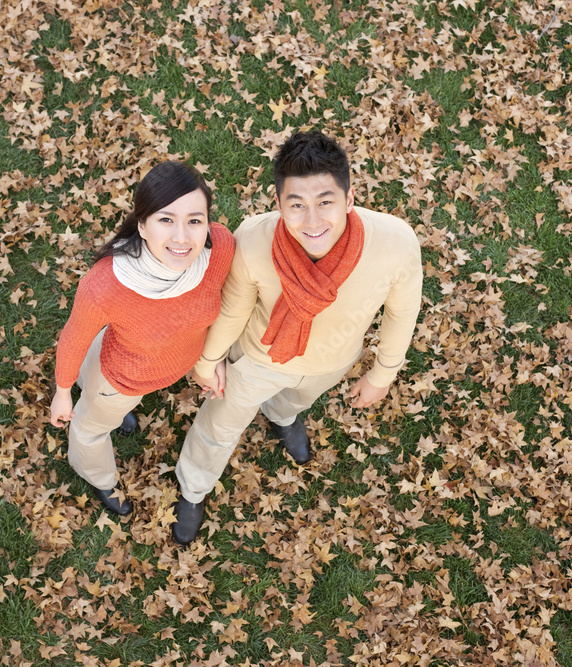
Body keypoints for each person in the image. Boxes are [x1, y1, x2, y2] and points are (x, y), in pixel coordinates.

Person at [169, 131, 424, 544]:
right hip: (256, 361)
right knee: (219, 427)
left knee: (294, 401)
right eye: (297, 205)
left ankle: (283, 418)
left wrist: (383, 375)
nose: (312, 221)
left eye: (326, 202)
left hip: (332, 362)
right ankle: (194, 488)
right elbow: (234, 308)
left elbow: (402, 312)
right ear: (279, 205)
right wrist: (208, 360)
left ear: (350, 197)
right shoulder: (254, 237)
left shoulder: (396, 243)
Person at [51, 161, 234, 516]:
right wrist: (61, 393)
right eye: (166, 219)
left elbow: (232, 304)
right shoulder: (105, 285)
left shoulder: (220, 249)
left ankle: (117, 411)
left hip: (178, 362)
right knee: (91, 429)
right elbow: (74, 337)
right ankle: (101, 480)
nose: (182, 237)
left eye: (194, 220)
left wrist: (215, 359)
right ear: (143, 225)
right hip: (122, 379)